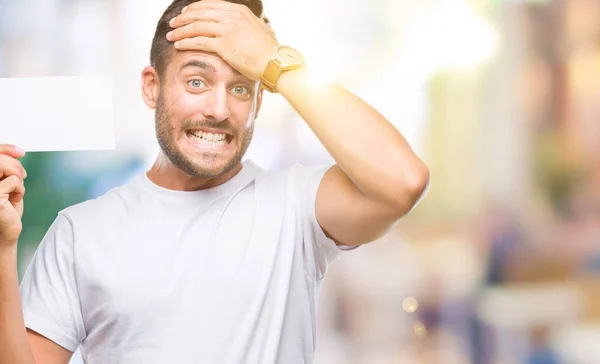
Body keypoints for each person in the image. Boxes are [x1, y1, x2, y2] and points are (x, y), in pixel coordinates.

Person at [0, 0, 430, 363]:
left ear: (260, 102)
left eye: (242, 89)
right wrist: (2, 247)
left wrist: (277, 62)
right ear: (152, 87)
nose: (219, 109)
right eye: (196, 81)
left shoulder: (296, 208)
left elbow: (404, 181)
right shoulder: (81, 231)